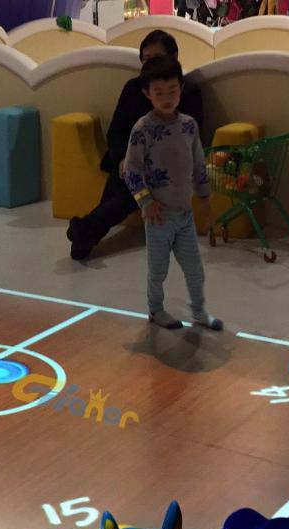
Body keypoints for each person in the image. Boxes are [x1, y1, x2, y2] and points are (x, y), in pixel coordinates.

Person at [67, 30, 203, 260]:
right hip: (129, 158)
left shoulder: (187, 91)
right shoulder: (133, 88)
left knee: (130, 190)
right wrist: (123, 158)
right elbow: (116, 131)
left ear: (174, 57)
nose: (150, 64)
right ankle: (86, 234)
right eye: (146, 59)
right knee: (121, 185)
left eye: (157, 57)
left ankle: (84, 231)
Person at [123, 56, 222, 331]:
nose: (167, 98)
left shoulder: (189, 125)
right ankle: (155, 310)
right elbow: (131, 170)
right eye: (159, 93)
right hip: (158, 217)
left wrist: (205, 198)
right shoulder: (142, 129)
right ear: (147, 93)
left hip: (185, 215)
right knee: (158, 270)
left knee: (195, 269)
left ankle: (199, 311)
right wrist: (146, 201)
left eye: (172, 91)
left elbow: (199, 164)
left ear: (181, 88)